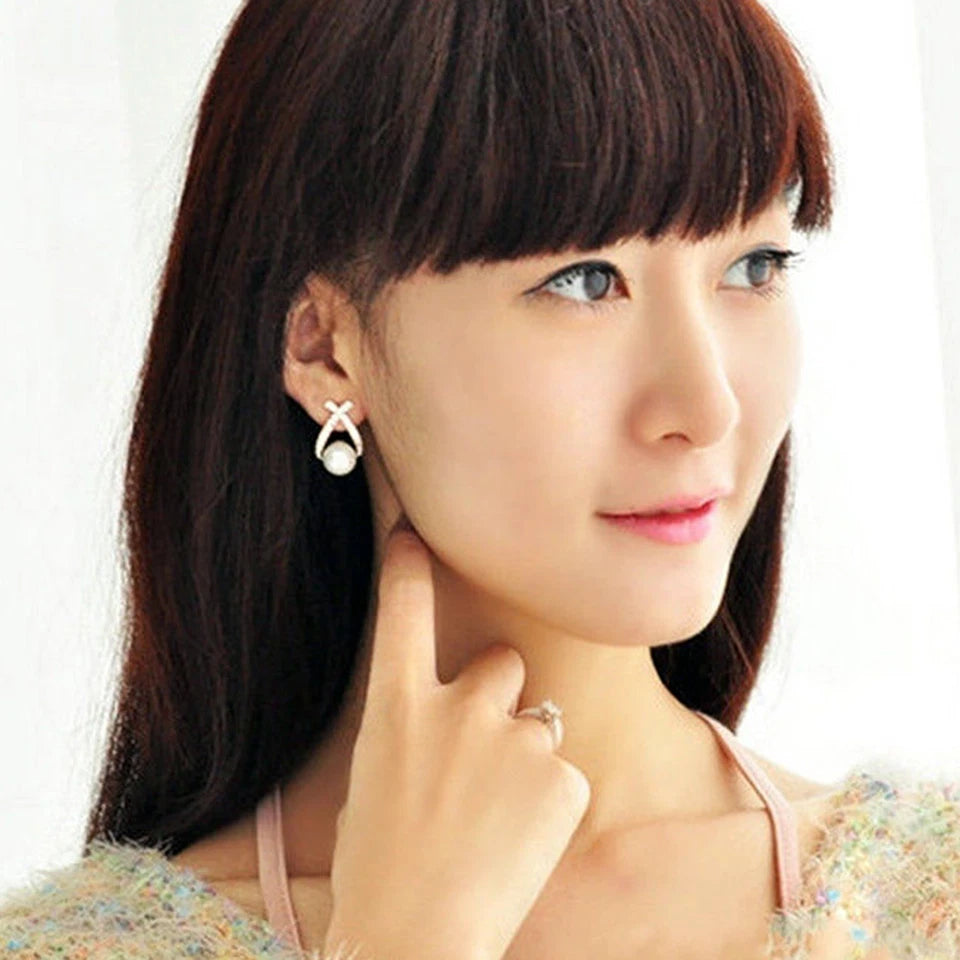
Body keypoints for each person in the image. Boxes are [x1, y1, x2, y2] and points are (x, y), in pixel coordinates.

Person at [2, 0, 958, 958]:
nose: (707, 406)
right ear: (327, 349)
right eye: (585, 280)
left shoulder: (928, 905)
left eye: (754, 266)